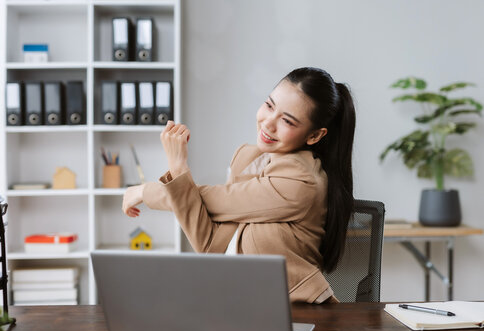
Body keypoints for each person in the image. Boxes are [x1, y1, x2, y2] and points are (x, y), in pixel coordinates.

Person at [122, 67, 356, 303]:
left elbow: (213, 199)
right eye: (269, 105)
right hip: (241, 305)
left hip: (296, 313)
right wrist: (173, 176)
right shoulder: (249, 160)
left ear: (314, 136)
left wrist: (154, 185)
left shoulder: (300, 182)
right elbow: (211, 244)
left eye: (287, 120)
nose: (268, 123)